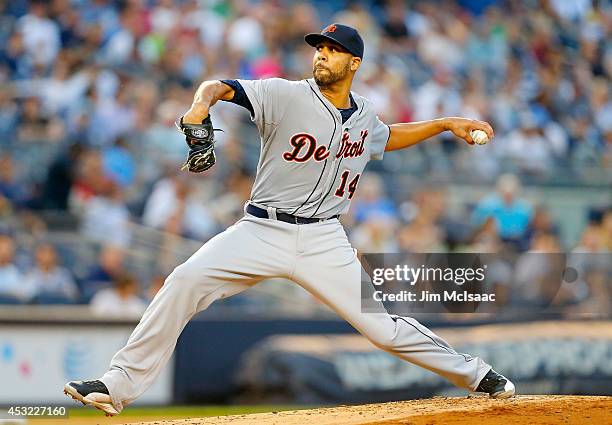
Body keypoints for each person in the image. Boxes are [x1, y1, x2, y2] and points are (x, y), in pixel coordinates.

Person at [64, 24, 514, 416]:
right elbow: (218, 86)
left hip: (324, 239)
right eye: (319, 47)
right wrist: (200, 108)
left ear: (354, 62)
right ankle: (116, 385)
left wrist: (442, 123)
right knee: (182, 281)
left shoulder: (364, 116)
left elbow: (387, 136)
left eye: (333, 49)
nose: (322, 54)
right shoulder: (284, 94)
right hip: (261, 229)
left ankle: (479, 376)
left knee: (382, 328)